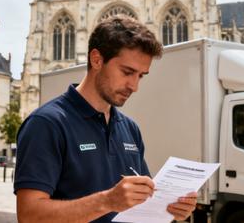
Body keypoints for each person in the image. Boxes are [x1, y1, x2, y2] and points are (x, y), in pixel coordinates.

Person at [14, 15, 197, 222]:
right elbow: (29, 216)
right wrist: (106, 201)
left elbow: (142, 202)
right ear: (96, 59)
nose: (134, 86)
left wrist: (170, 207)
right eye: (127, 72)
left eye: (141, 76)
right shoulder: (46, 124)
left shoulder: (130, 128)